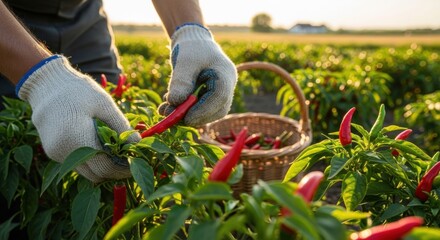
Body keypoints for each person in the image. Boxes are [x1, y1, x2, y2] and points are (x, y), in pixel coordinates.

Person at [0, 0, 238, 183]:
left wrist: (191, 29)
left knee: (111, 130)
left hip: (83, 15)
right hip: (7, 19)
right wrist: (42, 80)